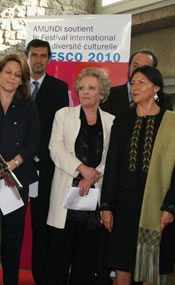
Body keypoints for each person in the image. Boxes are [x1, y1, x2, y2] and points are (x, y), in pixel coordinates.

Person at [100, 65, 175, 285]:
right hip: (124, 206)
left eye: (141, 82)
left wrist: (170, 206)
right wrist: (106, 206)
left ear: (156, 88)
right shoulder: (122, 121)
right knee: (123, 265)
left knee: (151, 266)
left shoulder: (170, 123)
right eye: (133, 83)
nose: (135, 87)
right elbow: (112, 165)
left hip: (157, 205)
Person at [0, 54, 40, 285]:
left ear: (22, 81)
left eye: (18, 75)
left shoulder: (28, 107)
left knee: (12, 237)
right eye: (8, 72)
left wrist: (12, 164)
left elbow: (34, 141)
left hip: (14, 180)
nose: (12, 77)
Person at [45, 67, 115, 284]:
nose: (85, 92)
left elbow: (112, 157)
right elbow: (55, 149)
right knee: (58, 258)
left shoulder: (112, 121)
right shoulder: (63, 115)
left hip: (93, 200)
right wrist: (81, 169)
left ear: (101, 94)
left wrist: (92, 177)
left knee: (86, 260)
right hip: (66, 196)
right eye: (82, 88)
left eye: (91, 88)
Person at [24, 39, 69, 284]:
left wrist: (37, 152)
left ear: (49, 59)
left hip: (46, 168)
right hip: (16, 167)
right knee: (13, 224)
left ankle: (41, 277)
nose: (38, 59)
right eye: (34, 55)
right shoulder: (16, 83)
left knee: (42, 226)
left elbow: (58, 130)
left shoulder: (58, 88)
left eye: (43, 55)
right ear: (27, 57)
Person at [101, 49, 173, 116]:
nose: (138, 70)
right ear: (129, 67)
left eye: (145, 67)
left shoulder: (163, 100)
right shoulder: (109, 95)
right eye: (135, 65)